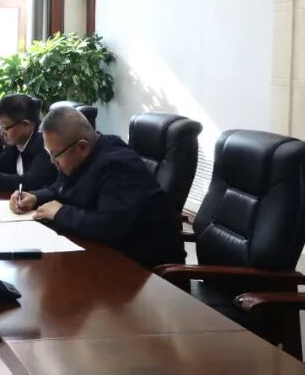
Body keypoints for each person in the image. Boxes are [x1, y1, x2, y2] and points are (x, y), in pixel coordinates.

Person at [10, 105, 185, 269]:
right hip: (105, 254)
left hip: (142, 269)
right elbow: (61, 188)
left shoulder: (119, 165)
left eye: (55, 155)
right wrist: (35, 197)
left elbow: (109, 226)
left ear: (82, 147)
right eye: (49, 153)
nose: (52, 162)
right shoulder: (80, 155)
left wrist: (60, 213)